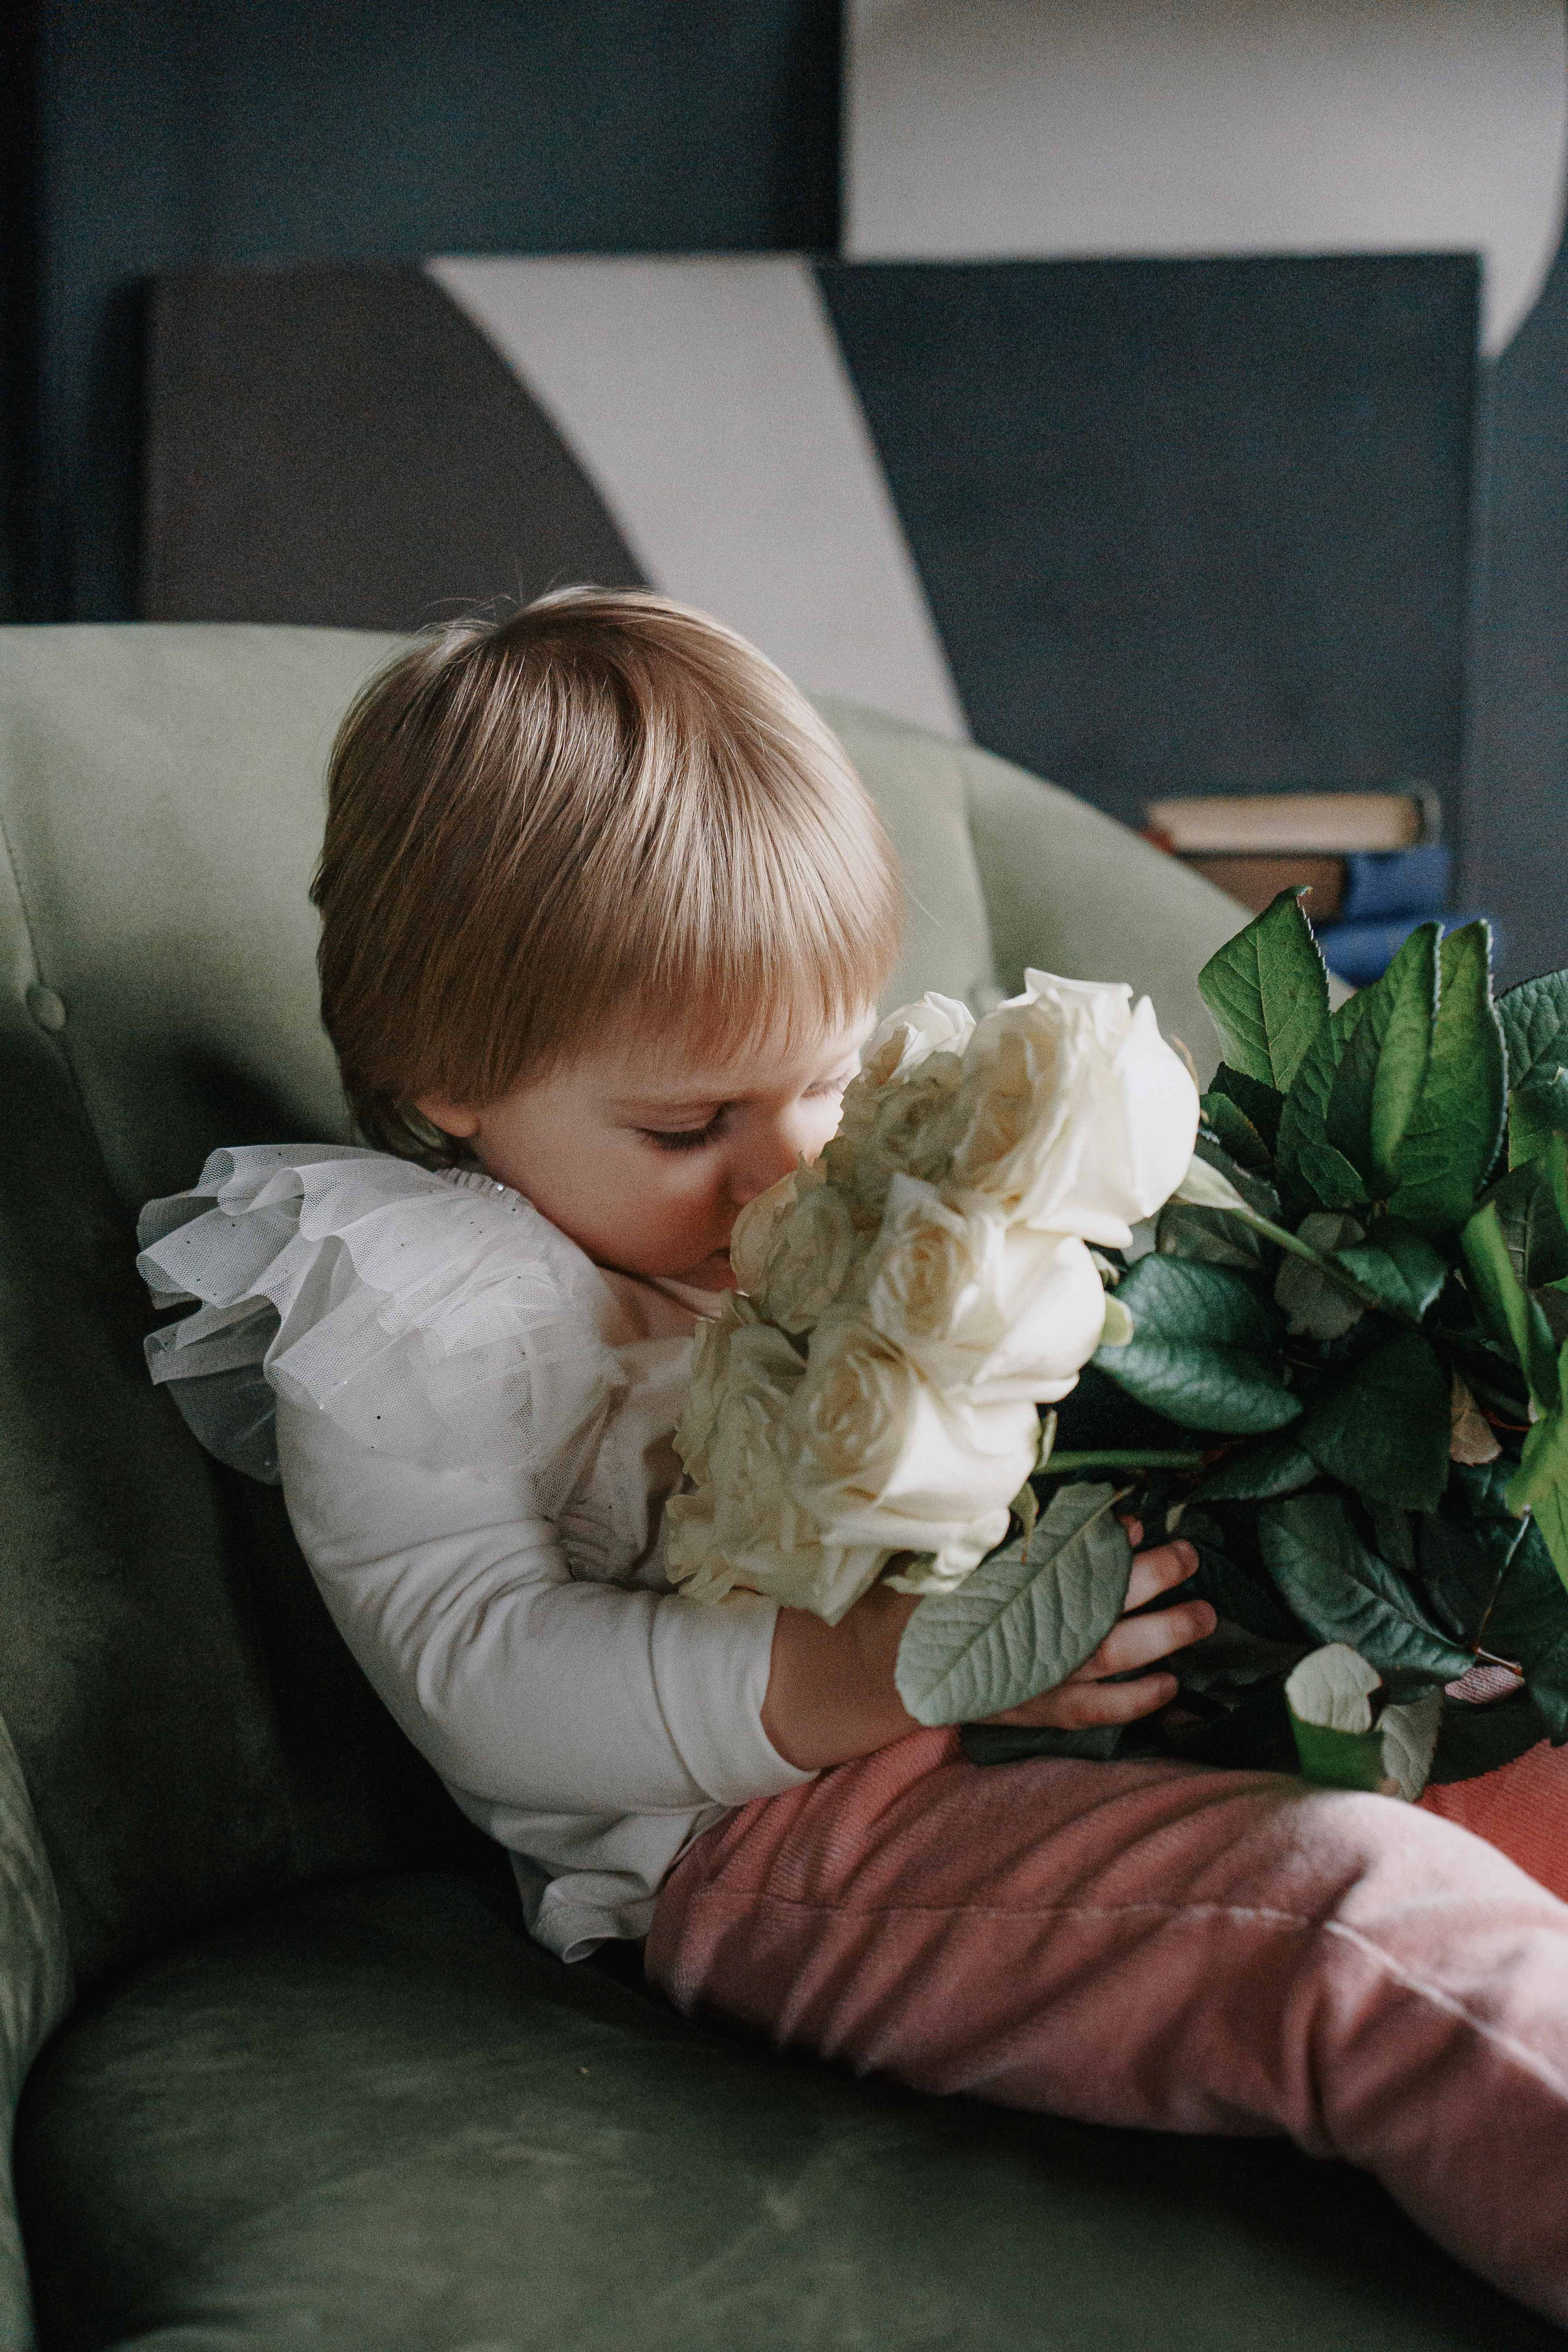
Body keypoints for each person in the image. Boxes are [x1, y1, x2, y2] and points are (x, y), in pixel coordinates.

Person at [138, 589, 1568, 2321]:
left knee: (1528, 1763)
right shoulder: (426, 1301)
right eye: (687, 1125)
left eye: (821, 1081)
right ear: (451, 1081)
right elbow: (478, 1674)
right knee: (1347, 1920)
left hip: (1115, 1714)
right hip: (779, 1844)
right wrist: (866, 1675)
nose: (785, 1174)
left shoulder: (855, 1177)